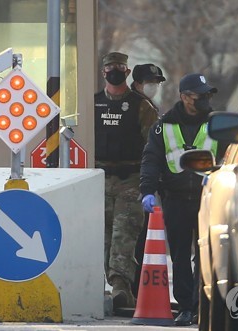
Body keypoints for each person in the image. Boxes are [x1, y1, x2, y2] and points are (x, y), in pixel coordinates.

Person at [139, 73, 224, 326]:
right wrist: (147, 191)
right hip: (175, 200)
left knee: (205, 254)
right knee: (179, 255)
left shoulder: (216, 123)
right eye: (201, 96)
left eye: (208, 95)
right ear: (185, 98)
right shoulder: (162, 126)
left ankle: (203, 305)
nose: (206, 100)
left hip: (208, 199)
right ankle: (185, 307)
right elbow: (151, 159)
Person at [94, 52, 159, 310]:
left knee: (124, 234)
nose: (114, 71)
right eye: (110, 67)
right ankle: (110, 285)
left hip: (130, 180)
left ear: (127, 72)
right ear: (103, 72)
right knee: (104, 238)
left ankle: (121, 287)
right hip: (99, 179)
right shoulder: (93, 104)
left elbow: (153, 145)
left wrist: (150, 182)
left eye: (119, 67)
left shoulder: (141, 106)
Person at [129, 63, 167, 298]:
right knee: (136, 235)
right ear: (138, 82)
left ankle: (134, 289)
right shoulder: (139, 105)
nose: (154, 87)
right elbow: (151, 146)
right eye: (150, 82)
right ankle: (134, 289)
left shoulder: (148, 105)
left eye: (157, 83)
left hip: (142, 176)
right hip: (136, 177)